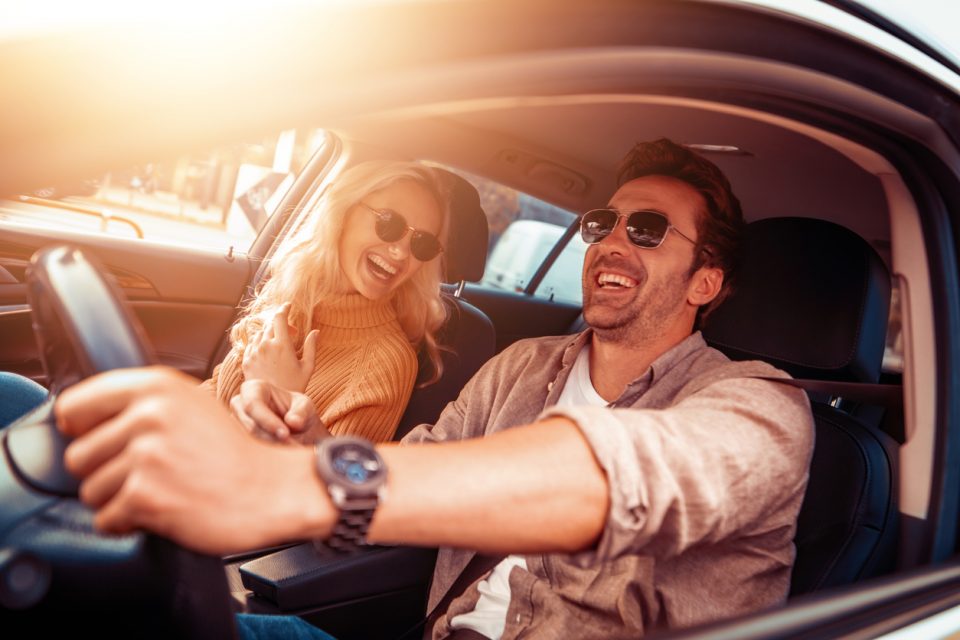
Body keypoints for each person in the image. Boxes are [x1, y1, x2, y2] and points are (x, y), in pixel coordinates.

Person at [55, 139, 814, 640]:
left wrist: (299, 482)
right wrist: (308, 439)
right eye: (603, 222)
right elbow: (419, 469)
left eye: (647, 230)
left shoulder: (764, 412)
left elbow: (620, 474)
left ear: (706, 281)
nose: (612, 241)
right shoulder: (522, 366)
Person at [3, 161, 451, 444]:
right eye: (390, 224)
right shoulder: (298, 294)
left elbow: (318, 501)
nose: (400, 252)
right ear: (345, 210)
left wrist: (282, 397)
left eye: (423, 243)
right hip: (173, 453)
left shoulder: (385, 362)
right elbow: (214, 396)